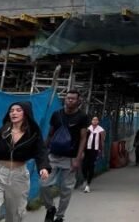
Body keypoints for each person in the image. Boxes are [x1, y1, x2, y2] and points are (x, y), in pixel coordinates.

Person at [41, 90, 88, 222]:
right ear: (65, 100)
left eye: (73, 99)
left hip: (71, 158)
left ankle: (60, 216)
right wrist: (43, 152)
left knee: (66, 189)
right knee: (43, 184)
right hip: (53, 156)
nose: (70, 100)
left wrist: (78, 158)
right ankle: (50, 208)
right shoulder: (56, 114)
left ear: (78, 101)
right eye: (68, 98)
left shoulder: (82, 117)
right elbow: (50, 134)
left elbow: (83, 138)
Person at [82, 116, 105, 193]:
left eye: (96, 120)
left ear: (98, 121)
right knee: (84, 166)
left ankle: (88, 185)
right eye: (93, 120)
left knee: (91, 167)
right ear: (91, 121)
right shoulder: (88, 129)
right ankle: (85, 179)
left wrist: (102, 151)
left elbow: (102, 141)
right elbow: (83, 139)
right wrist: (82, 150)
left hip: (95, 150)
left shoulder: (101, 130)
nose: (94, 121)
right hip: (86, 150)